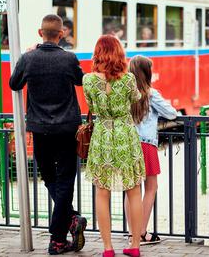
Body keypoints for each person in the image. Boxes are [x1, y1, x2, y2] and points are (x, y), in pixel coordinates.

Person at [9, 14, 87, 255]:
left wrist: (29, 53)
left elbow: (14, 84)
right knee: (65, 179)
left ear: (39, 32)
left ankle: (62, 234)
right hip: (67, 129)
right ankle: (66, 226)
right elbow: (80, 80)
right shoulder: (69, 59)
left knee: (50, 178)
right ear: (61, 34)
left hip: (40, 129)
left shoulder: (28, 59)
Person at [82, 35, 145, 257]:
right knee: (134, 191)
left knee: (102, 192)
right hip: (125, 135)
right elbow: (135, 98)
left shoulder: (88, 80)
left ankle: (108, 248)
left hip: (102, 136)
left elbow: (91, 105)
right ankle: (135, 245)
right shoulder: (128, 79)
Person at [125, 55, 177, 245]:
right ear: (147, 73)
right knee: (151, 188)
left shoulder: (126, 93)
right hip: (146, 145)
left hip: (128, 145)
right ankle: (141, 232)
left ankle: (132, 233)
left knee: (130, 190)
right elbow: (172, 113)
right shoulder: (151, 94)